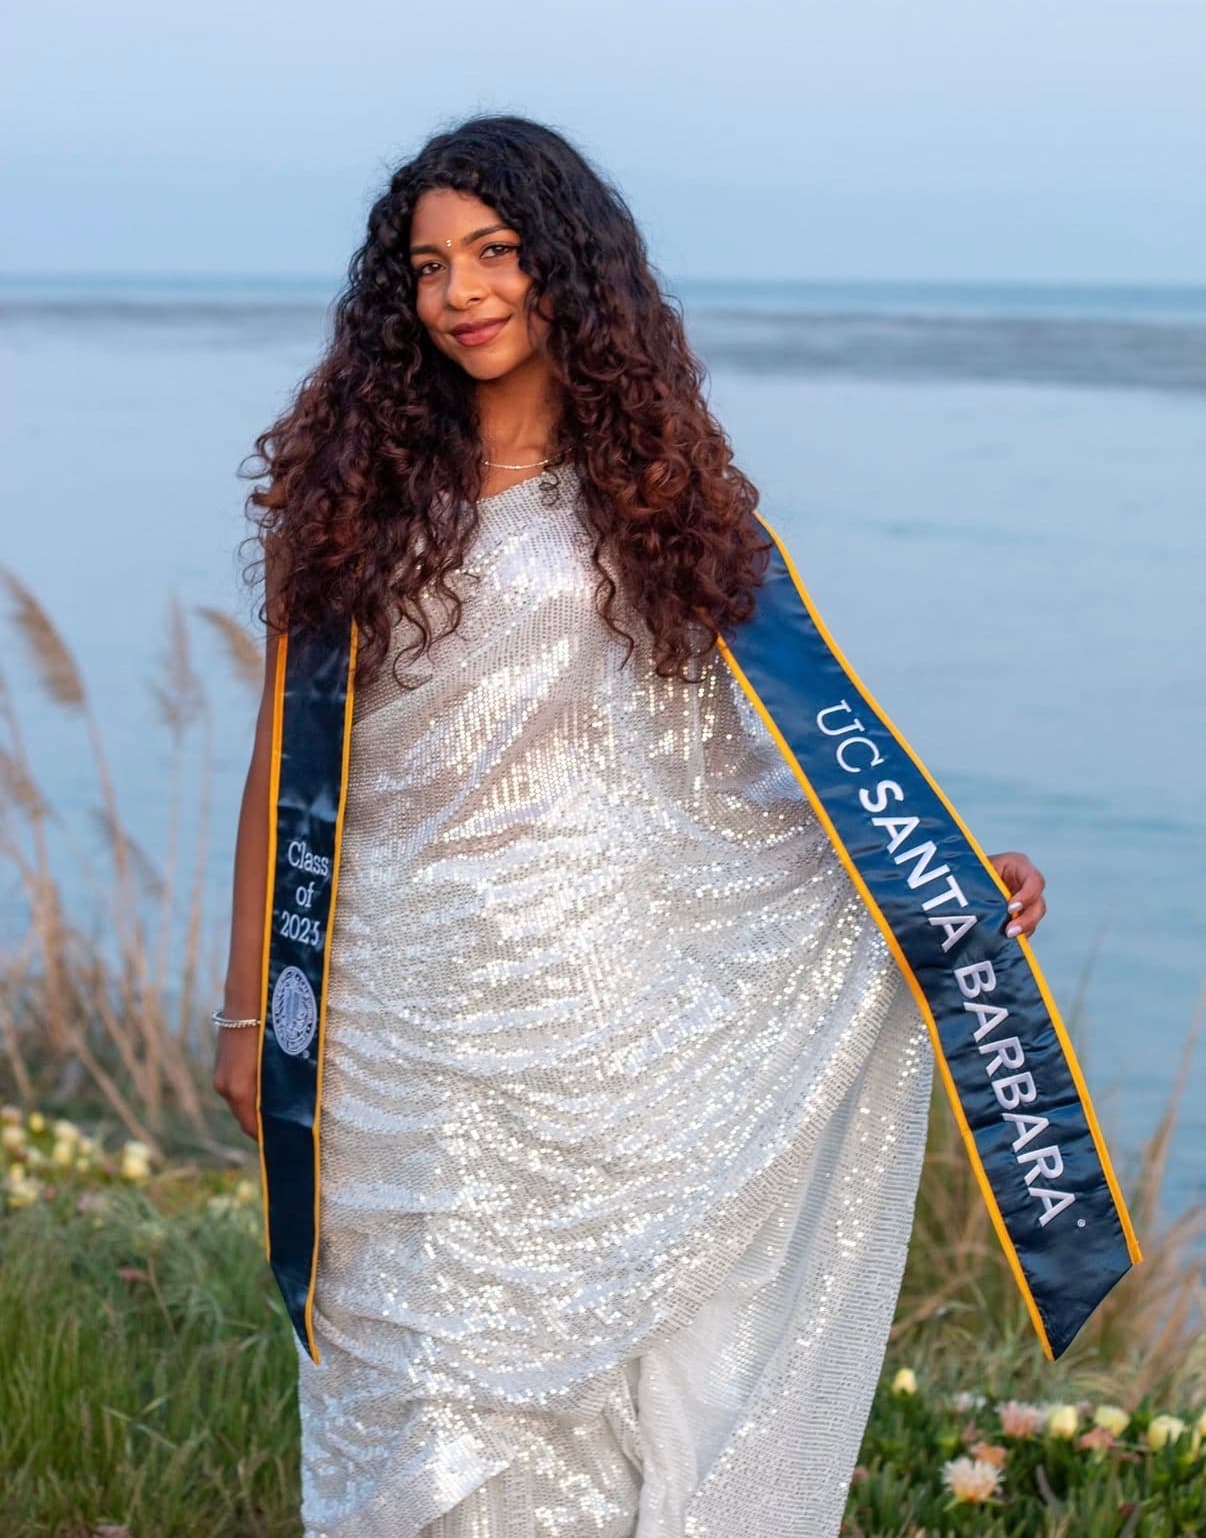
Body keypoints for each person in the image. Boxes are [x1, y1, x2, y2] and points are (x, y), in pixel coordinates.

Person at [213, 113, 1048, 1538]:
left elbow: (747, 763)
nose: (462, 292)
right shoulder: (356, 502)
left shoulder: (662, 505)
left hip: (601, 1022)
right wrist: (249, 1013)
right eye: (427, 266)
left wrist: (935, 877)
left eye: (495, 253)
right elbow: (283, 766)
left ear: (567, 271)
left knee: (620, 1383)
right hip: (399, 1018)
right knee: (414, 1382)